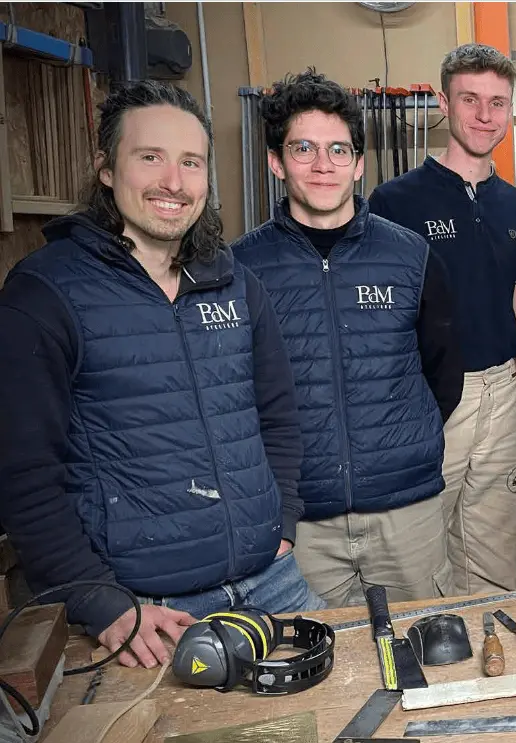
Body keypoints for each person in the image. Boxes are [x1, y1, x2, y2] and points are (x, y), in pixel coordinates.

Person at [0, 81, 319, 669]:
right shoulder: (45, 294)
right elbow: (24, 472)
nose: (174, 181)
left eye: (191, 162)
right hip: (148, 611)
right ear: (105, 168)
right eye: (151, 157)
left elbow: (277, 414)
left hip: (272, 582)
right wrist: (99, 600)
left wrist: (282, 523)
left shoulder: (235, 283)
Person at [232, 70, 463, 606]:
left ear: (359, 164)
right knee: (316, 655)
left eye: (338, 150)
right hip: (300, 523)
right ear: (276, 161)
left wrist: (398, 443)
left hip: (406, 512)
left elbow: (444, 372)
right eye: (304, 148)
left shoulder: (412, 257)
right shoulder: (241, 269)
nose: (323, 165)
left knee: (427, 643)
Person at [368, 44, 516, 595]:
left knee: (495, 563)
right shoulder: (393, 202)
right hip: (430, 398)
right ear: (444, 104)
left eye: (498, 103)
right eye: (470, 100)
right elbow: (380, 326)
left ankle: (486, 638)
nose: (485, 115)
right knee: (416, 564)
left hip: (504, 396)